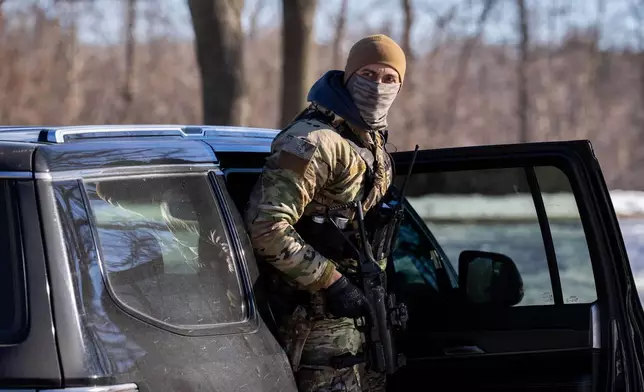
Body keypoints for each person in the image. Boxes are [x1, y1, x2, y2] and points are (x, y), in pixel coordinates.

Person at [244, 34, 406, 392]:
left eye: (389, 78)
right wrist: (332, 282)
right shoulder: (314, 142)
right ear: (348, 76)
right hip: (316, 323)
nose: (378, 86)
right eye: (368, 74)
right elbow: (266, 227)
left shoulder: (372, 142)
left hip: (360, 322)